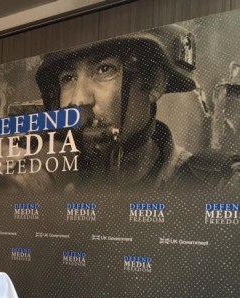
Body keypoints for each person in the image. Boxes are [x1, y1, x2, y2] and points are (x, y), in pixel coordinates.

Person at [34, 25, 240, 191]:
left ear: (155, 82)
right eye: (68, 78)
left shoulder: (215, 184)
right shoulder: (43, 176)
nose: (79, 99)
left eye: (104, 69)